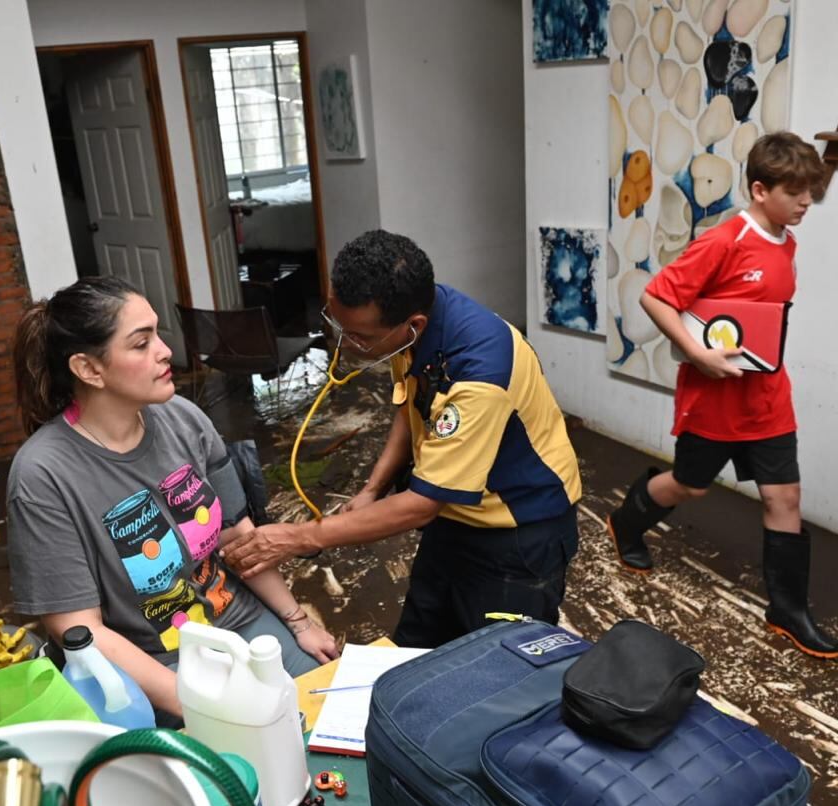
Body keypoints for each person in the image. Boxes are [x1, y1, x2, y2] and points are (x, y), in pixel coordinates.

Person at [223, 230, 582, 648]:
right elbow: (414, 407)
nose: (345, 343)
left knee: (501, 671)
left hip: (518, 532)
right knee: (416, 648)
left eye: (360, 337)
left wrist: (299, 537)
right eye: (336, 323)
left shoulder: (480, 373)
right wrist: (374, 487)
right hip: (456, 519)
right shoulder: (414, 323)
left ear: (413, 326)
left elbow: (421, 505)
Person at [7, 276, 337, 721]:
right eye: (141, 344)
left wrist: (298, 623)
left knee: (330, 718)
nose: (165, 350)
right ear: (89, 369)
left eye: (157, 334)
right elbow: (78, 629)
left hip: (239, 624)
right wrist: (201, 707)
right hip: (153, 665)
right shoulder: (43, 474)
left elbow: (238, 538)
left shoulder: (183, 418)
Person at [606, 131, 838, 659]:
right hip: (713, 397)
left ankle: (787, 609)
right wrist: (698, 352)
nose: (807, 203)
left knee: (785, 497)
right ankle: (626, 523)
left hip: (768, 396)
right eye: (796, 193)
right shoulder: (724, 240)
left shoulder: (788, 240)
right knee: (691, 487)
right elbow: (657, 297)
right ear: (760, 189)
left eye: (811, 193)